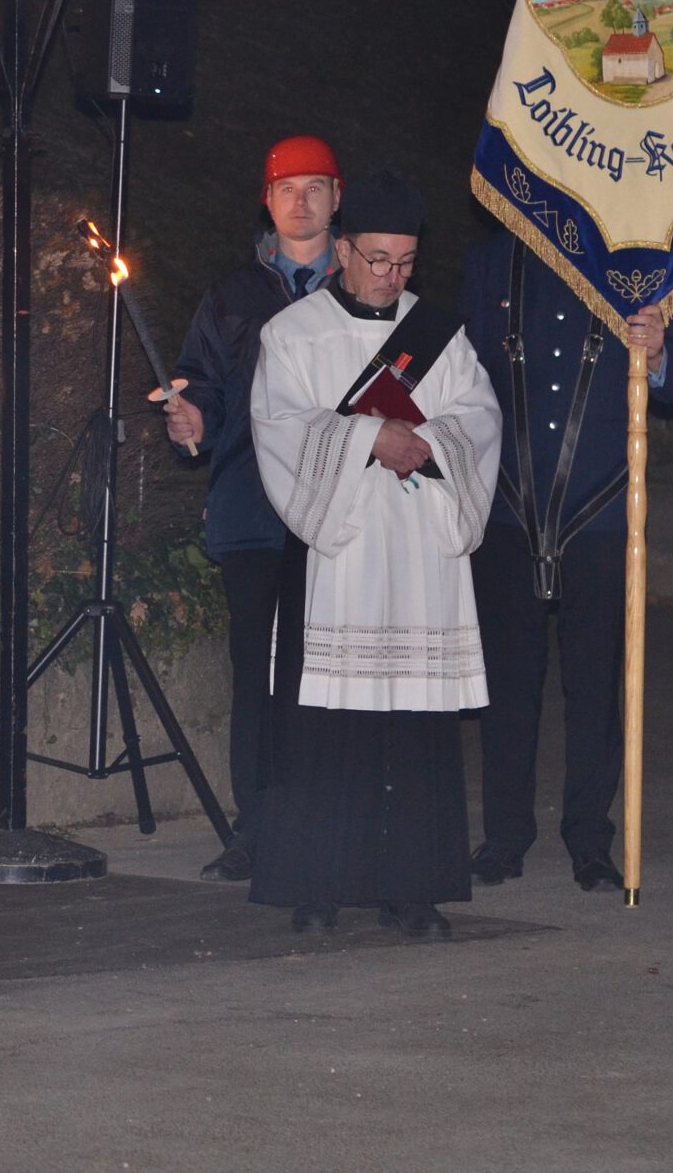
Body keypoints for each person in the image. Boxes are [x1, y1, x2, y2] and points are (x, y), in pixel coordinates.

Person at [246, 170, 501, 937]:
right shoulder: (293, 335)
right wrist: (366, 436)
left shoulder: (439, 335)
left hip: (420, 557)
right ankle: (315, 888)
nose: (393, 277)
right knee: (326, 722)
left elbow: (479, 418)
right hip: (339, 562)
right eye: (379, 260)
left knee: (413, 723)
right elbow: (280, 426)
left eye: (406, 262)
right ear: (343, 253)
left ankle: (412, 890)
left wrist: (428, 443)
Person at [458, 235, 673, 892]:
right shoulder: (495, 255)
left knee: (596, 684)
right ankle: (505, 836)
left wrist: (658, 351)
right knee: (508, 684)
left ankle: (590, 838)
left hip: (602, 506)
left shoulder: (640, 261)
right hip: (510, 502)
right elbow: (463, 368)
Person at [164, 135, 344, 881]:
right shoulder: (232, 296)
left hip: (340, 516)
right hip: (253, 512)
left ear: (336, 198)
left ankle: (326, 822)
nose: (300, 202)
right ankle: (257, 828)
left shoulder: (361, 288)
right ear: (266, 202)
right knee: (257, 674)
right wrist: (192, 420)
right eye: (286, 190)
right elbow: (198, 383)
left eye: (314, 188)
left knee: (330, 672)